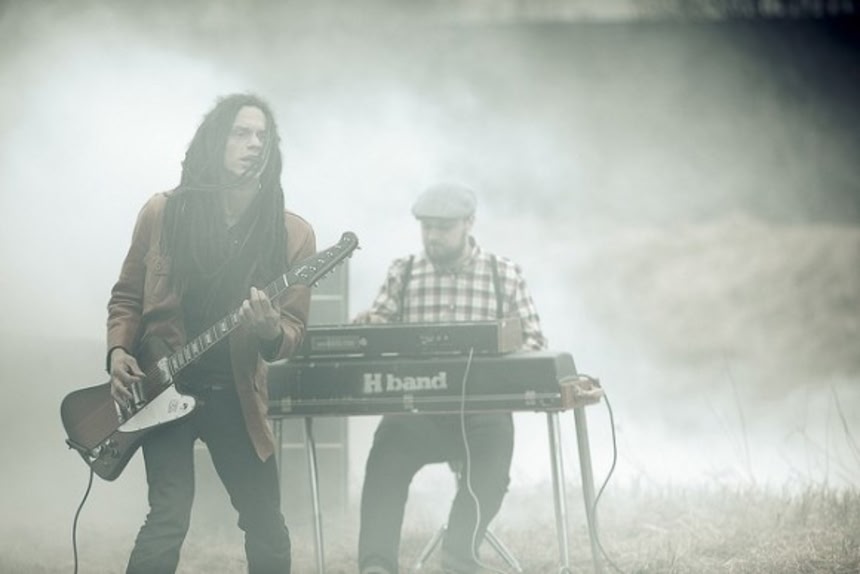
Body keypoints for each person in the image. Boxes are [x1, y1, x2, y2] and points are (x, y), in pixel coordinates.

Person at [106, 93, 315, 574]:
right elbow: (127, 297)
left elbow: (292, 331)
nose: (254, 143)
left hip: (235, 394)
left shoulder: (292, 233)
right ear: (214, 141)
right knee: (167, 518)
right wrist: (118, 351)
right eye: (241, 133)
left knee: (266, 524)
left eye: (263, 136)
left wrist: (269, 331)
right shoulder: (163, 213)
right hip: (162, 387)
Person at [355, 182, 547, 574]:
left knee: (491, 470)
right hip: (416, 408)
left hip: (482, 411)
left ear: (469, 223)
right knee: (384, 462)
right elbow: (377, 332)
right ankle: (376, 565)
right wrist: (368, 327)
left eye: (443, 228)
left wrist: (501, 351)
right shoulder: (404, 272)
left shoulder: (503, 274)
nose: (433, 236)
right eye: (427, 227)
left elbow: (535, 341)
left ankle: (459, 555)